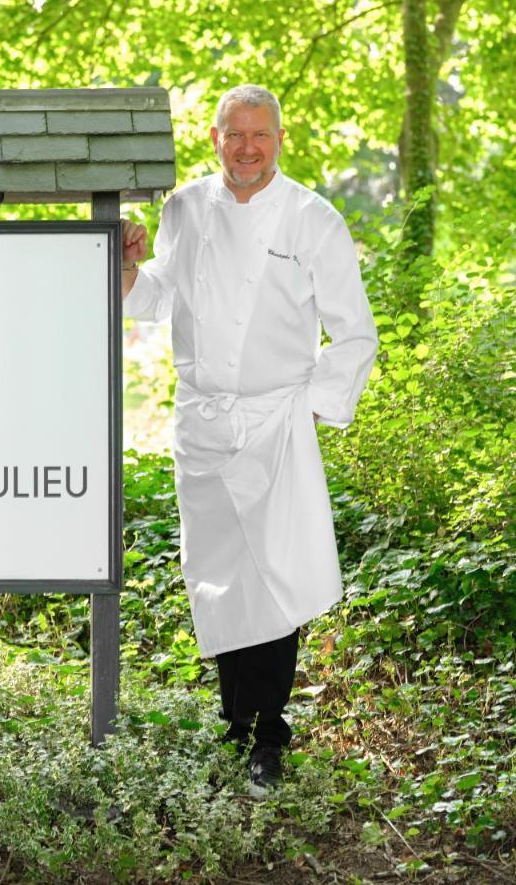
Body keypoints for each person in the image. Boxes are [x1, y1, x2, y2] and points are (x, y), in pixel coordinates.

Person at [119, 85, 377, 796]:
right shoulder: (184, 210)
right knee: (220, 576)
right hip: (202, 421)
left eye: (261, 135)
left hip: (275, 422)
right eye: (236, 134)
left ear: (279, 140)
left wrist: (309, 410)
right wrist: (126, 268)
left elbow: (355, 333)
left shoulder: (311, 219)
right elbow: (158, 299)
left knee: (274, 578)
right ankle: (233, 722)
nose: (248, 147)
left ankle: (270, 735)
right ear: (215, 136)